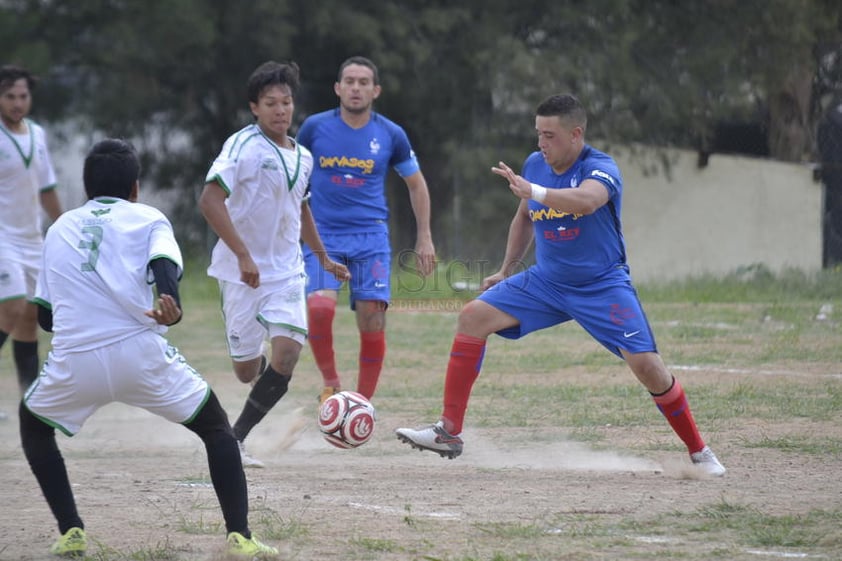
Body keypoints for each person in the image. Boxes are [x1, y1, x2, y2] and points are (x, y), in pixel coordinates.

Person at [395, 94, 726, 477]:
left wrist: (533, 191)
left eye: (549, 135)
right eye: (538, 134)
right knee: (472, 317)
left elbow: (585, 202)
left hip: (602, 286)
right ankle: (448, 432)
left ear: (575, 134)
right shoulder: (536, 164)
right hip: (547, 282)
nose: (540, 144)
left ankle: (699, 451)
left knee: (648, 367)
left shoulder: (601, 167)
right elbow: (524, 217)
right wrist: (507, 270)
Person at [20, 139, 279, 558]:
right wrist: (167, 306)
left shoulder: (60, 227)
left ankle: (71, 530)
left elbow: (46, 319)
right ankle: (240, 536)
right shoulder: (149, 218)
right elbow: (164, 275)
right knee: (215, 428)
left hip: (76, 359)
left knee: (32, 424)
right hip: (140, 353)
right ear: (135, 188)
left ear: (87, 188)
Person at [199, 61, 349, 468]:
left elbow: (300, 211)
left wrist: (322, 258)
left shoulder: (303, 157)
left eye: (286, 102)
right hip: (240, 273)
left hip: (286, 272)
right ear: (254, 108)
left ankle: (235, 439)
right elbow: (209, 200)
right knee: (247, 372)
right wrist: (243, 254)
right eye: (271, 103)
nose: (281, 110)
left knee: (288, 355)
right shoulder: (242, 147)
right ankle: (256, 368)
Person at [296, 55, 436, 404]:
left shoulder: (391, 134)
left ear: (375, 91)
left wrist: (424, 237)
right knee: (319, 309)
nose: (355, 88)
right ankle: (331, 384)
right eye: (349, 81)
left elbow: (416, 185)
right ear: (337, 88)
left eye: (363, 83)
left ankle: (362, 404)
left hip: (371, 238)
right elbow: (292, 177)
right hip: (322, 234)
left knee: (372, 319)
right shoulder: (314, 128)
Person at [0, 65, 62, 404]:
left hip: (31, 239)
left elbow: (47, 188)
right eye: (9, 96)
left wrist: (66, 227)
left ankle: (29, 400)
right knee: (11, 307)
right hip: (2, 238)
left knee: (29, 317)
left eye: (22, 96)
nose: (16, 103)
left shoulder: (37, 135)